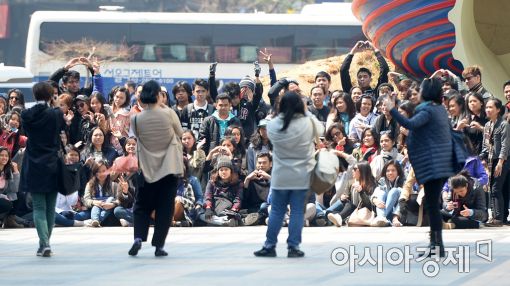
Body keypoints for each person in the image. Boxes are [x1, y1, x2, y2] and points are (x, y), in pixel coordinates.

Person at [385, 77, 455, 257]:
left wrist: (392, 108)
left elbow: (410, 124)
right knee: (432, 204)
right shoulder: (440, 109)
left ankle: (437, 245)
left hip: (432, 163)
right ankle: (436, 244)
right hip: (442, 163)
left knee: (432, 205)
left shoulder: (428, 109)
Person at [254, 91, 323, 258]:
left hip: (280, 175)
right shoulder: (307, 122)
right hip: (301, 175)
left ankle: (269, 245)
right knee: (298, 212)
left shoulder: (274, 124)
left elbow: (271, 130)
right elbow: (320, 128)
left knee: (276, 211)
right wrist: (305, 111)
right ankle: (293, 247)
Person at [128, 80, 184, 257]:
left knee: (141, 205)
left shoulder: (135, 119)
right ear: (158, 95)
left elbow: (136, 137)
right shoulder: (169, 113)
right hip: (169, 167)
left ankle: (138, 237)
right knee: (165, 207)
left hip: (147, 168)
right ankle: (159, 245)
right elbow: (180, 133)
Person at [20, 81, 65, 257]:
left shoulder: (26, 114)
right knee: (50, 207)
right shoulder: (55, 114)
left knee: (38, 206)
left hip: (33, 163)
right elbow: (60, 128)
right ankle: (45, 244)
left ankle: (44, 244)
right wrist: (53, 104)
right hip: (52, 163)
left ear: (34, 94)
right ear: (50, 95)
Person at [481, 98, 510, 226]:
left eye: (491, 107)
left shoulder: (504, 125)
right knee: (493, 188)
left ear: (498, 110)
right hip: (491, 161)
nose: (488, 109)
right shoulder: (487, 126)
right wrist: (483, 159)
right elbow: (485, 145)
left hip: (502, 161)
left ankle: (497, 218)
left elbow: (505, 145)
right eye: (486, 107)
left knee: (495, 188)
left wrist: (500, 163)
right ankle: (499, 217)